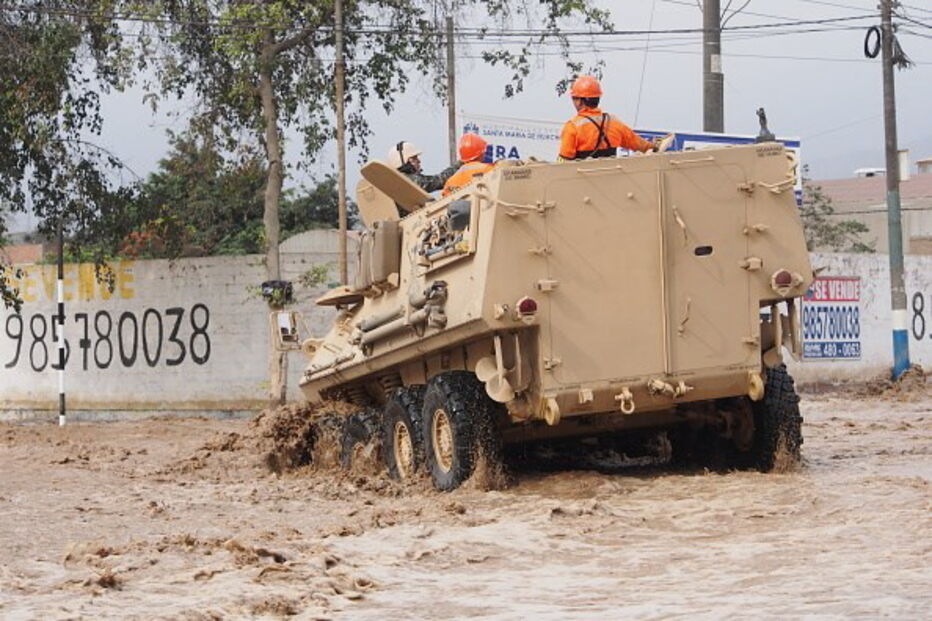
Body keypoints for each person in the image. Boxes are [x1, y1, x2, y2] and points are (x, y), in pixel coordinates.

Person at [558, 75, 656, 161]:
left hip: (581, 180)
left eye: (574, 98)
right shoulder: (614, 122)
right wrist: (654, 146)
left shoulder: (573, 127)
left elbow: (563, 163)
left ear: (579, 101)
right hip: (610, 179)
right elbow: (642, 146)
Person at [387, 141, 460, 193]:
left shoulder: (393, 182)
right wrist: (459, 165)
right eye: (414, 158)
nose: (419, 161)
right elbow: (438, 181)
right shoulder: (408, 180)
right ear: (404, 162)